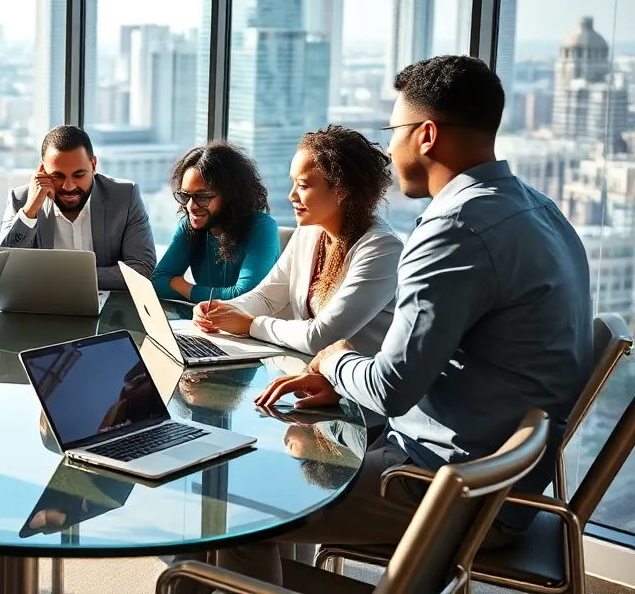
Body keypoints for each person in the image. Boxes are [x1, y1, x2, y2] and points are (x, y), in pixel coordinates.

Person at [224, 55, 594, 586]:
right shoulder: (540, 209)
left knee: (241, 509)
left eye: (393, 130)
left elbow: (394, 388)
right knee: (285, 460)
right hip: (505, 478)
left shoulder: (453, 230)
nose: (390, 147)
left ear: (425, 135)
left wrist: (335, 363)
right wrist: (345, 381)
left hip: (445, 487)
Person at [193, 126, 402, 356]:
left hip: (358, 387)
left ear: (341, 190)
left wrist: (250, 325)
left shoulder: (382, 249)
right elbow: (266, 296)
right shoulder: (310, 231)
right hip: (310, 376)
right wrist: (220, 311)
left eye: (303, 185)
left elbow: (320, 338)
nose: (292, 195)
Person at [0, 125, 156, 290]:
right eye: (57, 176)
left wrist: (69, 279)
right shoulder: (21, 200)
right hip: (41, 308)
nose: (68, 186)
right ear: (43, 170)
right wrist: (30, 211)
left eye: (79, 175)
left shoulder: (125, 196)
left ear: (93, 165)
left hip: (108, 308)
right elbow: (3, 270)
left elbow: (142, 268)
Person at [151, 142, 281, 304]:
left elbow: (244, 296)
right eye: (185, 196)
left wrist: (184, 287)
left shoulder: (262, 228)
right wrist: (211, 297)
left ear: (231, 196)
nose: (191, 206)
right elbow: (157, 282)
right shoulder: (190, 225)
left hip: (249, 327)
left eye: (203, 197)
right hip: (204, 323)